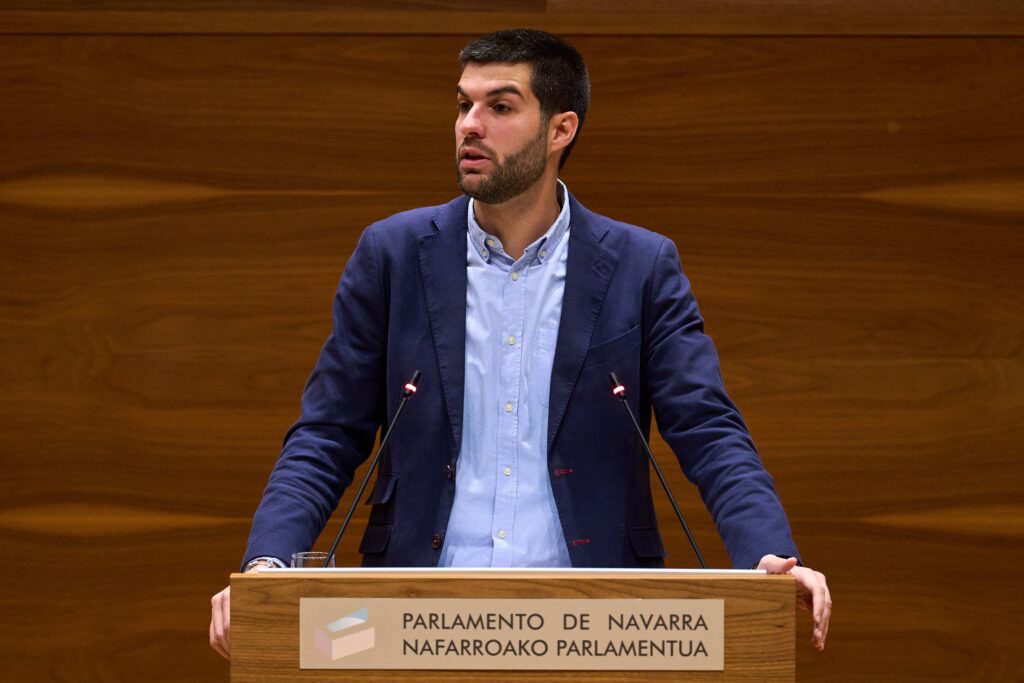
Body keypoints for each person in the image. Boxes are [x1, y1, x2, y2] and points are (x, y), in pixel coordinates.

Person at [210, 28, 831, 660]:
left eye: (499, 107)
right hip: (410, 626)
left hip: (594, 629)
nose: (469, 126)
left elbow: (708, 428)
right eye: (462, 105)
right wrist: (267, 564)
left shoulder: (639, 266)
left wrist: (769, 552)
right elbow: (326, 432)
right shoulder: (393, 256)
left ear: (561, 129)